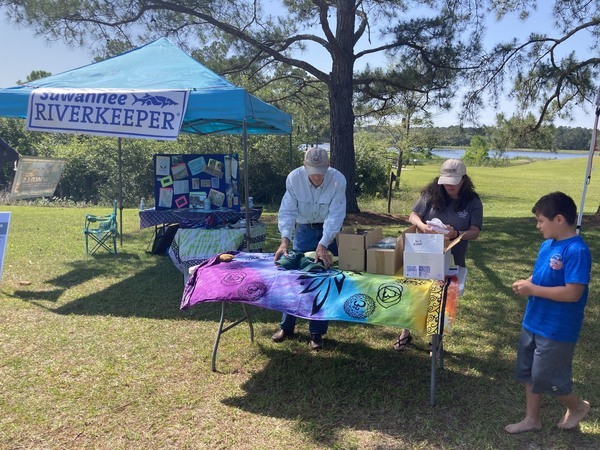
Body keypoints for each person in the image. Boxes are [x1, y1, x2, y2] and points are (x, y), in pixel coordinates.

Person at [505, 192, 591, 434]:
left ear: (560, 219)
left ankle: (578, 407)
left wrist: (534, 289)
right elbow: (542, 275)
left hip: (557, 327)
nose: (538, 226)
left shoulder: (576, 251)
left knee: (549, 376)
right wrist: (528, 282)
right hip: (533, 320)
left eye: (541, 220)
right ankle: (532, 419)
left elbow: (573, 293)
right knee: (528, 371)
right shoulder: (548, 245)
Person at [394, 159, 483, 351]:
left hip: (453, 258)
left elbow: (475, 231)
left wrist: (456, 234)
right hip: (424, 254)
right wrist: (423, 226)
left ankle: (436, 339)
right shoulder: (431, 194)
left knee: (441, 298)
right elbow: (413, 216)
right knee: (415, 293)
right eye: (446, 181)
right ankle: (405, 332)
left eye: (454, 181)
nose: (449, 186)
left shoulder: (473, 201)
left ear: (463, 180)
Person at [272, 146, 346, 350]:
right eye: (313, 173)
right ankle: (287, 326)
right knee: (295, 278)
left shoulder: (338, 179)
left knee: (323, 279)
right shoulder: (294, 178)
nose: (317, 178)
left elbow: (336, 215)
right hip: (303, 230)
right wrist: (285, 239)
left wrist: (323, 243)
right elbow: (287, 211)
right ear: (305, 166)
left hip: (328, 232)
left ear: (328, 166)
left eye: (321, 173)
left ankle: (317, 332)